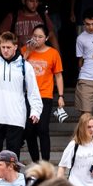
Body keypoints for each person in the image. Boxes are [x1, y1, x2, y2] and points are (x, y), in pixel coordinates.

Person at [0, 31, 43, 162]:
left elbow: (33, 91)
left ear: (15, 47)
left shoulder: (25, 66)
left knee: (13, 152)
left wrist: (36, 110)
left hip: (16, 116)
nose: (5, 50)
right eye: (3, 47)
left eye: (8, 47)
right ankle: (1, 170)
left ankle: (11, 178)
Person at [24, 24, 67, 162]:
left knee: (42, 129)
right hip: (27, 96)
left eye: (40, 37)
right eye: (34, 36)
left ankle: (46, 162)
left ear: (47, 38)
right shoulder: (24, 50)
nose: (36, 39)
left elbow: (58, 76)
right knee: (29, 130)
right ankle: (36, 161)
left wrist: (60, 96)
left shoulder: (53, 53)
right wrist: (27, 52)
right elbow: (17, 67)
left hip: (45, 95)